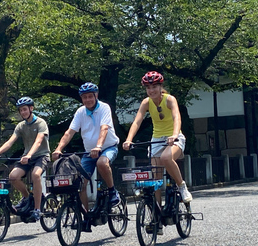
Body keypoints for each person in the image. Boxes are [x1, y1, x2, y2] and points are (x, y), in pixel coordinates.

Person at [123, 71, 192, 207]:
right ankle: (157, 212)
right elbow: (137, 121)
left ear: (161, 87)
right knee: (156, 177)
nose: (151, 90)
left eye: (154, 87)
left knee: (166, 157)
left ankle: (182, 186)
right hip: (156, 139)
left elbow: (176, 117)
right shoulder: (146, 102)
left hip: (174, 137)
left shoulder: (170, 99)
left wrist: (174, 134)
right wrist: (128, 139)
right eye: (148, 88)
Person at [52, 82, 121, 215]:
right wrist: (58, 149)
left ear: (96, 95)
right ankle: (85, 215)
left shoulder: (104, 108)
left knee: (102, 163)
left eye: (90, 96)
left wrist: (99, 146)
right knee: (79, 182)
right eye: (85, 97)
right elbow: (70, 132)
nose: (88, 100)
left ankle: (113, 191)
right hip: (89, 152)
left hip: (108, 147)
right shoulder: (80, 112)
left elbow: (104, 128)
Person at [0, 97, 50, 222]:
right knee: (13, 177)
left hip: (41, 155)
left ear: (31, 109)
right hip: (26, 156)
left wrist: (29, 155)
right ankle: (27, 198)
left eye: (25, 109)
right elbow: (10, 142)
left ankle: (37, 209)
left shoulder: (40, 123)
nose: (23, 112)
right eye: (21, 110)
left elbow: (38, 141)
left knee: (36, 175)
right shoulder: (21, 126)